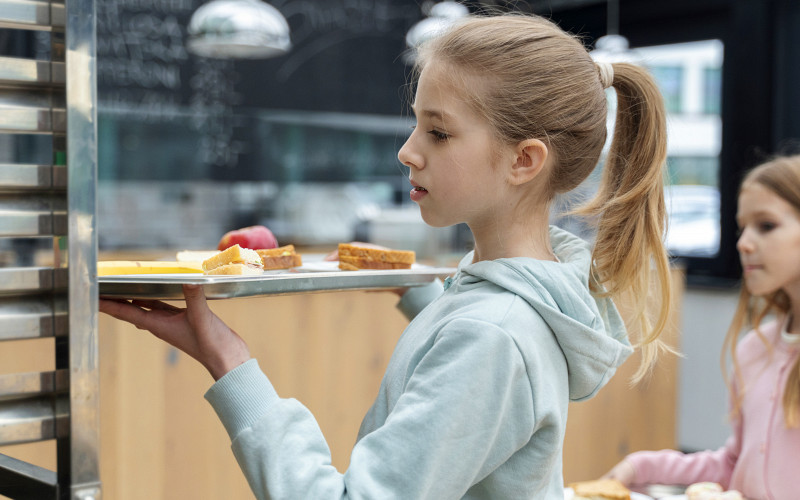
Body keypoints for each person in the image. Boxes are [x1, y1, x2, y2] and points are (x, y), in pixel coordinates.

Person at [100, 13, 673, 499]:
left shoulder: (492, 337)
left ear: (523, 161)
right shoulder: (522, 301)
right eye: (415, 125)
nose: (407, 152)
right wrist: (417, 292)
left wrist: (230, 363)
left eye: (438, 133)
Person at [604, 155, 800, 500]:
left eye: (766, 225)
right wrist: (641, 467)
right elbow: (733, 466)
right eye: (742, 228)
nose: (743, 243)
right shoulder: (755, 349)